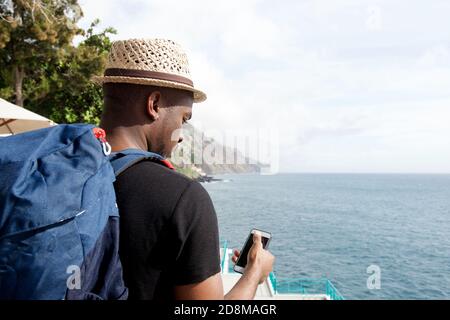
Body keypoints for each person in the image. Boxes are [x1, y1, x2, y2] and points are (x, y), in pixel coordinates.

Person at [96, 39, 275, 300]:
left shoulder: (57, 168)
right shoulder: (183, 198)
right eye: (183, 119)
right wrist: (254, 273)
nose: (181, 136)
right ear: (154, 104)